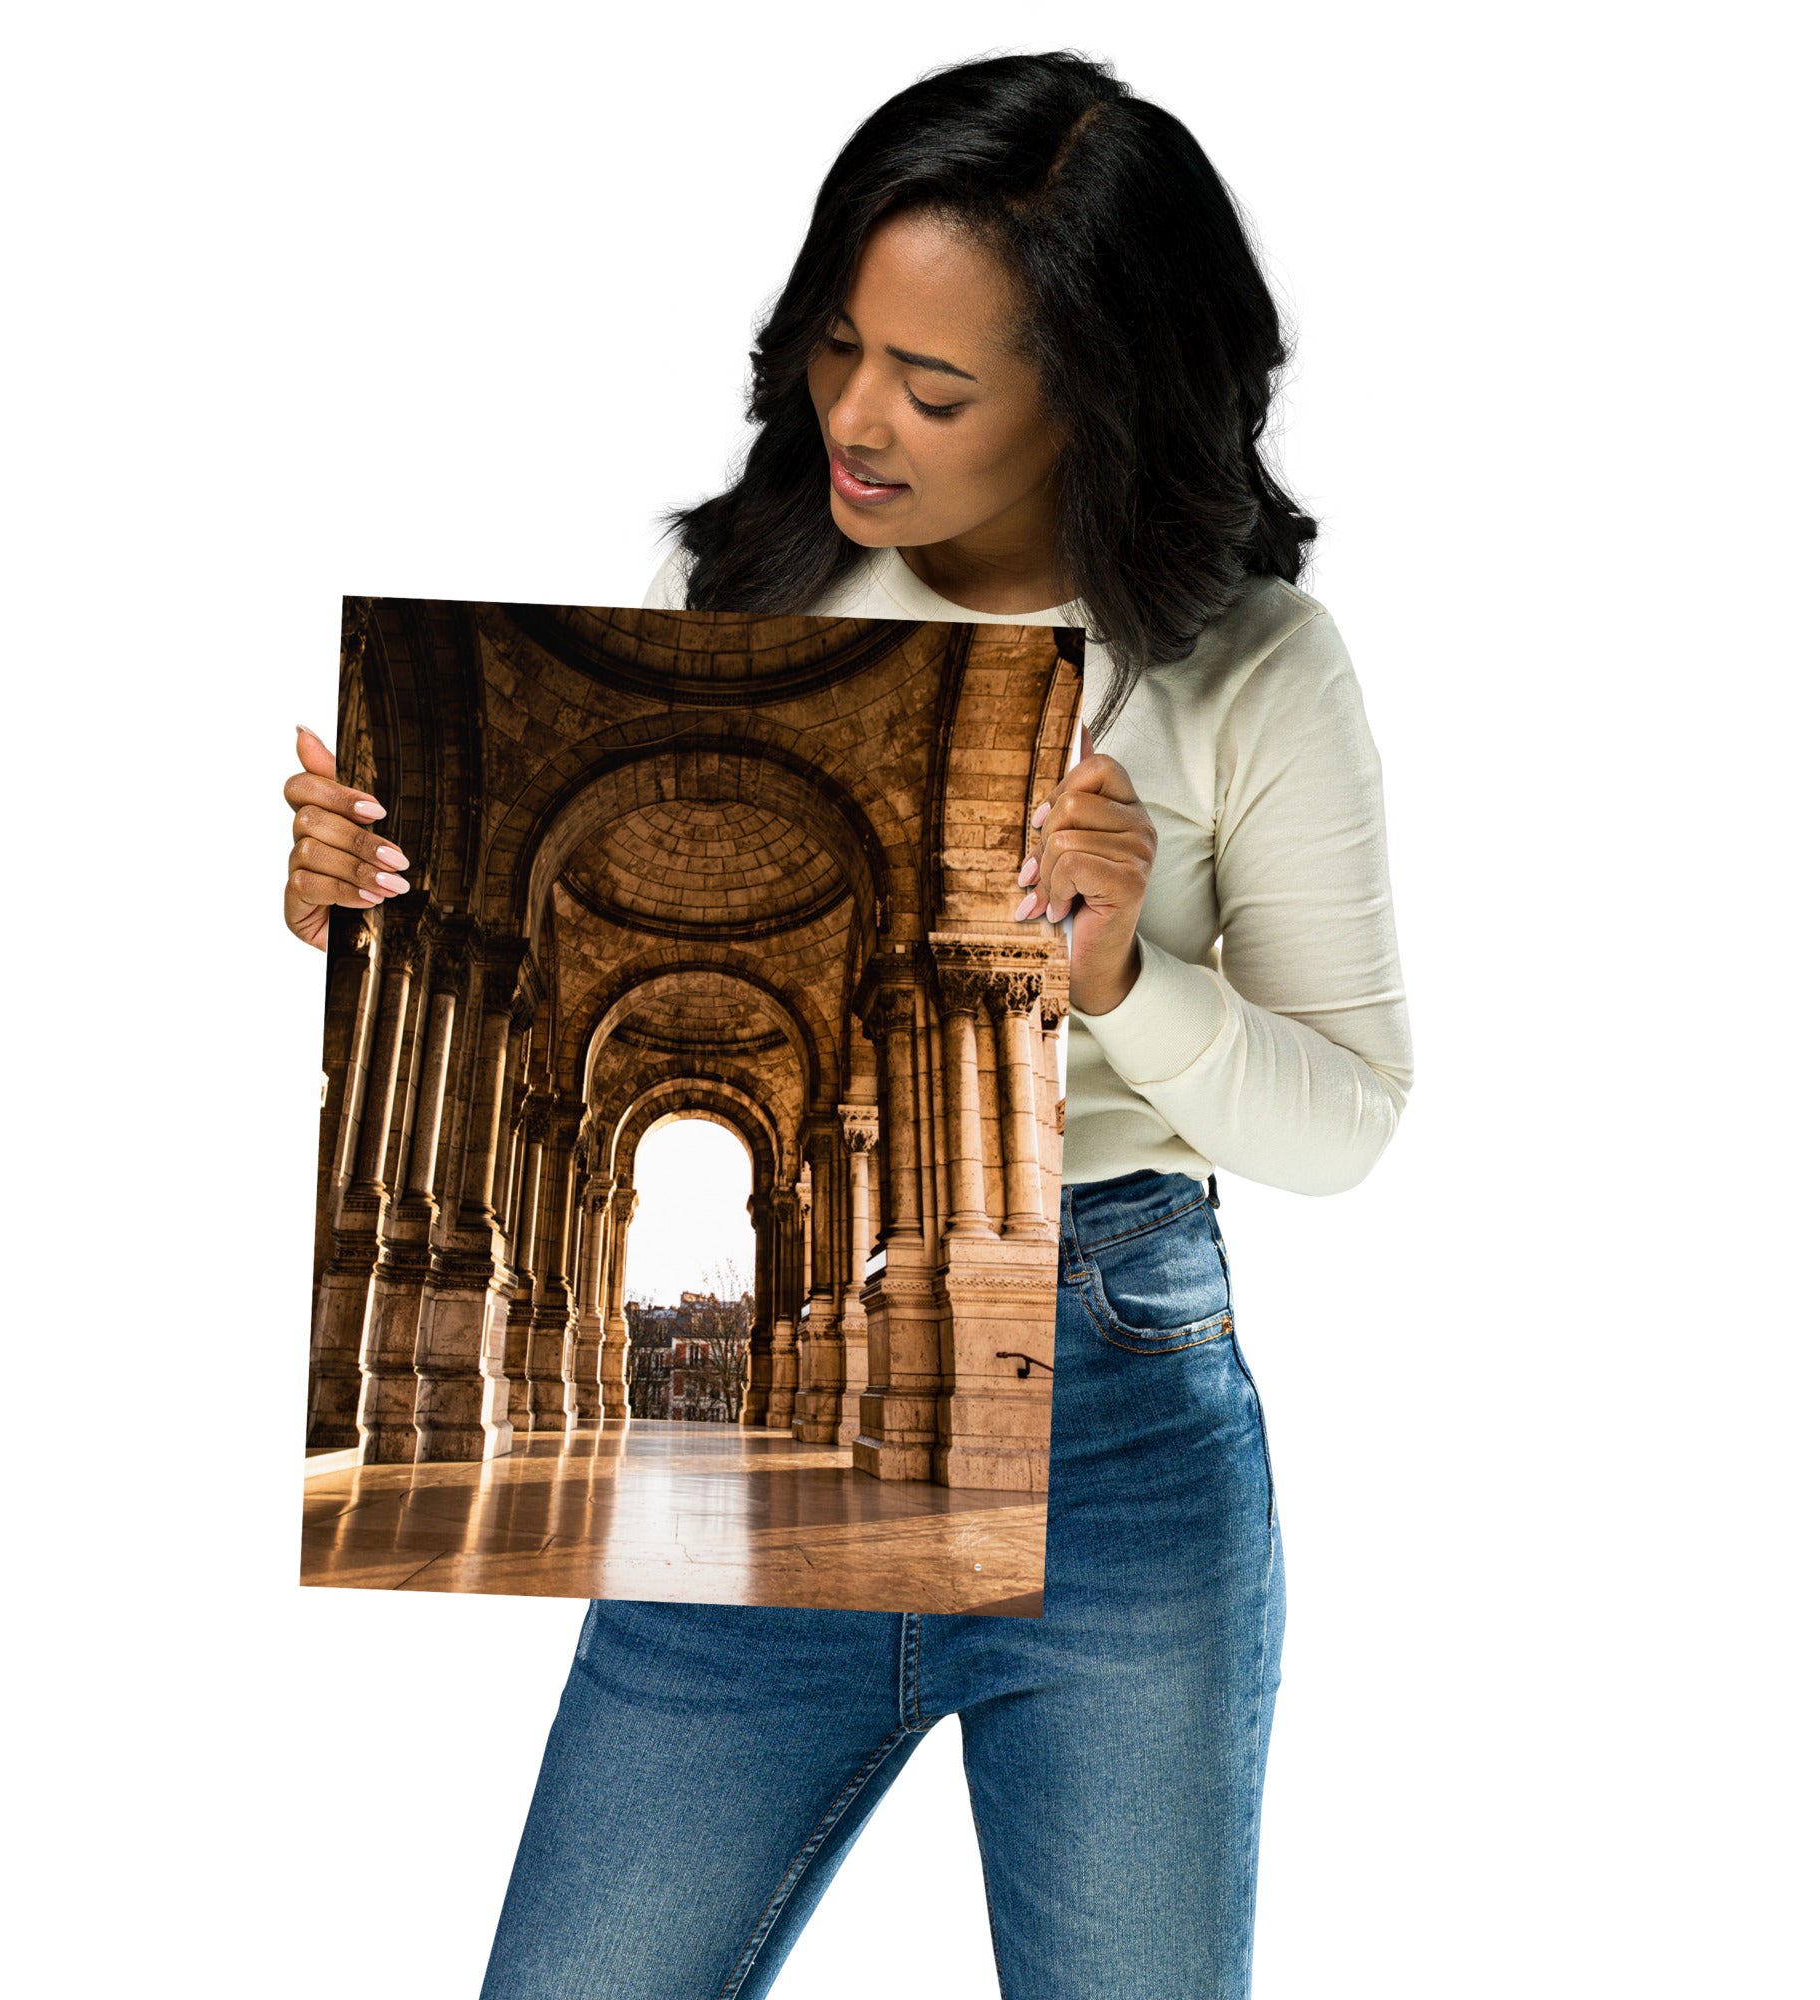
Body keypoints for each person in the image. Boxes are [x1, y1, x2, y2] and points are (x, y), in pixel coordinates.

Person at [282, 51, 1412, 1998]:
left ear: (1095, 397)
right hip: (739, 1466)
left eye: (936, 384)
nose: (857, 418)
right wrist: (374, 912)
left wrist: (1126, 975)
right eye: (835, 348)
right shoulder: (731, 589)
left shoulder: (1249, 668)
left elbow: (1346, 1123)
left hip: (1123, 1447)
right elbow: (533, 1018)